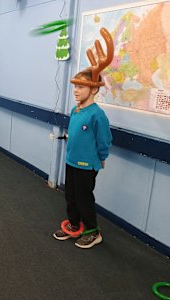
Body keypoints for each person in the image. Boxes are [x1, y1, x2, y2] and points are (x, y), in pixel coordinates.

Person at [53, 69, 112, 249]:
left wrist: (101, 158)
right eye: (75, 87)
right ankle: (74, 224)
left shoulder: (97, 114)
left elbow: (105, 140)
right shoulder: (75, 110)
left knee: (83, 198)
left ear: (94, 90)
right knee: (70, 195)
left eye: (81, 87)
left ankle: (93, 232)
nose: (76, 90)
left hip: (87, 165)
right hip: (72, 161)